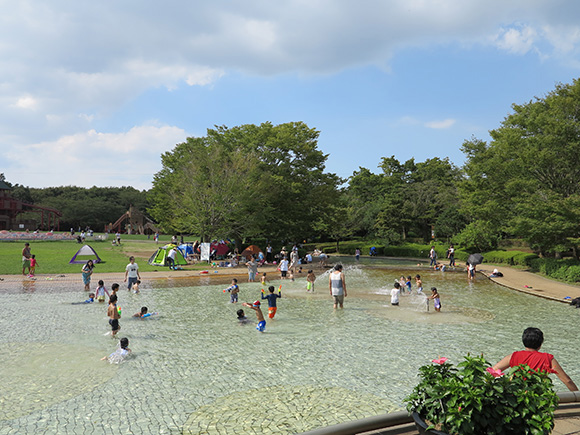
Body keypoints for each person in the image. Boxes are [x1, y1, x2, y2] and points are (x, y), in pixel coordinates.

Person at [493, 327, 578, 391]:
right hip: (537, 396)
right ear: (540, 344)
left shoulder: (514, 356)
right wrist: (577, 396)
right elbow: (567, 381)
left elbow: (494, 370)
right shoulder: (548, 358)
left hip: (516, 395)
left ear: (524, 341)